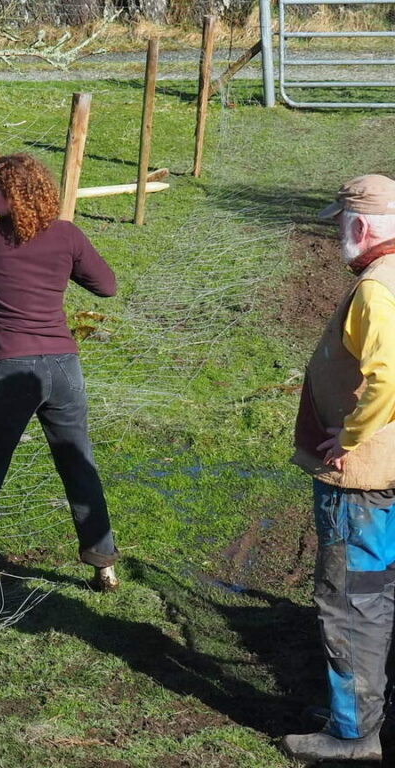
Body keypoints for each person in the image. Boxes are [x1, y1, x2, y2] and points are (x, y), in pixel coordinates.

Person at [0, 123, 120, 603]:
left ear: (11, 200)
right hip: (63, 370)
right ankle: (103, 561)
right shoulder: (67, 236)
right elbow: (106, 286)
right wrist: (66, 258)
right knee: (77, 462)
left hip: (12, 372)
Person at [283, 174, 395, 764]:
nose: (336, 238)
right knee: (381, 592)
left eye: (340, 226)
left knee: (353, 602)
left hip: (364, 479)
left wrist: (350, 434)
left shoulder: (377, 290)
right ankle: (366, 704)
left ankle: (354, 734)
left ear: (362, 226)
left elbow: (386, 376)